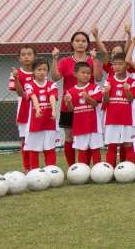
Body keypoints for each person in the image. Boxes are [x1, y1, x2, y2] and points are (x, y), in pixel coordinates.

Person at [54, 30, 100, 166]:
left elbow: (97, 78)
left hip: (87, 106)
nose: (80, 43)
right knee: (69, 137)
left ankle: (87, 167)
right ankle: (73, 168)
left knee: (89, 136)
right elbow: (55, 77)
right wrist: (54, 59)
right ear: (72, 43)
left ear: (87, 44)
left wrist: (95, 60)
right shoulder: (65, 61)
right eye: (77, 41)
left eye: (83, 41)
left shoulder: (92, 60)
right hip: (69, 105)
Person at [102, 51, 135, 164]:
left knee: (128, 144)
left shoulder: (132, 81)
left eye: (120, 64)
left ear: (127, 65)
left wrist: (127, 89)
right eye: (114, 64)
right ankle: (110, 170)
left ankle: (130, 169)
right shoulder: (108, 81)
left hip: (127, 119)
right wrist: (106, 92)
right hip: (111, 119)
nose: (116, 66)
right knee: (112, 145)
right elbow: (106, 101)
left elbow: (131, 99)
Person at [64, 61, 103, 166]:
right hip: (80, 126)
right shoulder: (70, 91)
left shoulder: (95, 88)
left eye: (88, 73)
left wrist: (87, 98)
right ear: (75, 74)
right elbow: (71, 110)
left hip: (94, 125)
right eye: (83, 73)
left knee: (95, 149)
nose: (86, 75)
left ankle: (98, 170)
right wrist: (68, 102)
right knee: (82, 150)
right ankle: (83, 171)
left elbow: (95, 104)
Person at [23, 57, 58, 170]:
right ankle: (35, 172)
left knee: (50, 148)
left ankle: (52, 171)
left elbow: (52, 96)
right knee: (34, 149)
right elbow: (33, 97)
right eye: (39, 69)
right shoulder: (29, 85)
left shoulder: (52, 84)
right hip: (35, 122)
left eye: (44, 69)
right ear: (33, 71)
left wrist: (53, 110)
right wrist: (37, 109)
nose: (42, 72)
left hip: (49, 121)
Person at [8, 45, 36, 171]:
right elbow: (19, 93)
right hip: (24, 108)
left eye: (29, 54)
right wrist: (16, 78)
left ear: (34, 57)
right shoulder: (16, 73)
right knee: (24, 138)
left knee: (37, 139)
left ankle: (39, 167)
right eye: (23, 54)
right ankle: (27, 168)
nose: (26, 57)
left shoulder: (40, 70)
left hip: (39, 108)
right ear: (19, 58)